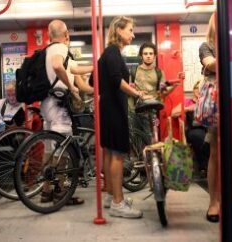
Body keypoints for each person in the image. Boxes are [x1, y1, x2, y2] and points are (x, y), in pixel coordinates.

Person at [98, 16, 152, 219]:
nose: (133, 34)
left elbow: (104, 80)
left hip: (109, 107)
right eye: (130, 30)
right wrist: (136, 93)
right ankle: (118, 204)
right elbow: (116, 80)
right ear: (119, 30)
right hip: (113, 109)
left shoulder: (110, 53)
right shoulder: (112, 52)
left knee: (112, 153)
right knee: (118, 155)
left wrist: (130, 88)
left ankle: (112, 196)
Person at [40, 20, 93, 205]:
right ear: (66, 35)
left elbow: (74, 68)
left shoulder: (48, 50)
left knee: (49, 149)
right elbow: (58, 66)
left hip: (47, 104)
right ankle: (61, 191)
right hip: (59, 106)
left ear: (48, 35)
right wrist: (71, 87)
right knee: (62, 150)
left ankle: (46, 191)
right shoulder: (60, 48)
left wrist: (95, 66)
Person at [196, 13, 219, 223]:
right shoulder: (207, 45)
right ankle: (214, 202)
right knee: (216, 152)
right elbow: (210, 63)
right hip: (217, 106)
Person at [185, 81, 208, 178]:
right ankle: (203, 166)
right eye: (197, 88)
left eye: (201, 89)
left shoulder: (207, 101)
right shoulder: (187, 101)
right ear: (194, 90)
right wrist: (187, 108)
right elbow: (175, 112)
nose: (199, 91)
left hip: (207, 128)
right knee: (199, 136)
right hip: (194, 129)